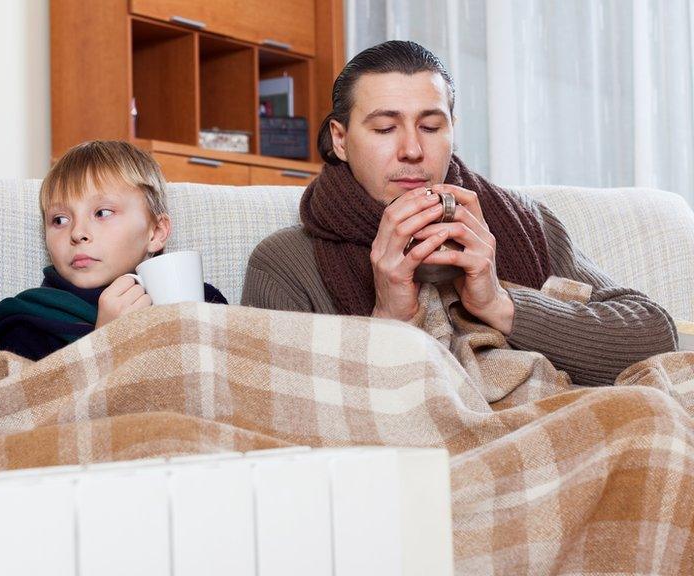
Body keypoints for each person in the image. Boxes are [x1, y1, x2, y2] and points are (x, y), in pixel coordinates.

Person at [241, 40, 677, 387]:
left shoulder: (524, 222)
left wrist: (499, 302)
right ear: (340, 138)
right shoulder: (285, 263)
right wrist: (389, 318)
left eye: (431, 127)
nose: (412, 150)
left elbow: (655, 337)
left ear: (452, 128)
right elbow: (274, 409)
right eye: (385, 128)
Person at [0, 140, 226, 361]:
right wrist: (102, 344)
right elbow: (31, 403)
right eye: (60, 220)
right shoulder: (25, 323)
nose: (77, 232)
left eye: (102, 213)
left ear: (155, 233)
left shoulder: (205, 301)